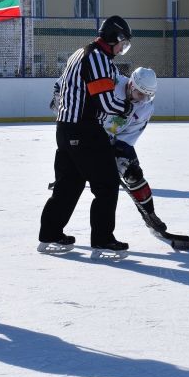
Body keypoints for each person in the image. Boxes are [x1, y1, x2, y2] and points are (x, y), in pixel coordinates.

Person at [38, 15, 133, 258]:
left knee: (68, 185)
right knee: (107, 184)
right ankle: (102, 239)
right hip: (85, 131)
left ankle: (50, 233)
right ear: (113, 38)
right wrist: (126, 108)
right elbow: (105, 101)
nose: (122, 49)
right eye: (122, 43)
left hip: (65, 129)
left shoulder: (79, 53)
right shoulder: (98, 58)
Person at [101, 67, 172, 234]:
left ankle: (150, 216)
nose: (144, 99)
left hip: (114, 139)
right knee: (91, 184)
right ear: (131, 85)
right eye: (141, 94)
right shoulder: (113, 84)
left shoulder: (146, 107)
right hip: (90, 137)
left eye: (148, 95)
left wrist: (117, 150)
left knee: (134, 174)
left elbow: (128, 136)